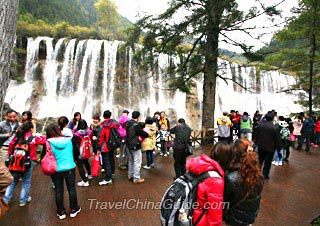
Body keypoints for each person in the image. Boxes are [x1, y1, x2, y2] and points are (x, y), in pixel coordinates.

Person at [221, 139, 264, 226]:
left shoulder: (230, 177)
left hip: (233, 219)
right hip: (249, 218)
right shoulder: (258, 175)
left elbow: (224, 202)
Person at [3, 121, 46, 207]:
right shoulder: (33, 138)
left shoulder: (17, 136)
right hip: (28, 162)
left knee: (13, 181)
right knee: (26, 181)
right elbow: (44, 141)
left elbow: (11, 146)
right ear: (31, 128)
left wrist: (10, 156)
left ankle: (6, 200)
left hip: (15, 162)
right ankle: (23, 200)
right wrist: (39, 135)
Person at [45, 124, 81, 219]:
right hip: (69, 167)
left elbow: (45, 156)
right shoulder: (69, 139)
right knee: (71, 189)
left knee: (58, 190)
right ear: (58, 130)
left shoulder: (48, 142)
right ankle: (74, 209)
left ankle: (61, 212)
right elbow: (76, 151)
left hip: (56, 169)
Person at [185, 153, 224, 226]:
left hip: (190, 215)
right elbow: (215, 215)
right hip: (201, 220)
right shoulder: (215, 181)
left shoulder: (195, 169)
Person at [255, 113, 281, 179]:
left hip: (261, 146)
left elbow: (256, 135)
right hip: (270, 148)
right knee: (268, 162)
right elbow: (277, 140)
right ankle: (265, 174)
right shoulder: (275, 128)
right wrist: (279, 149)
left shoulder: (260, 125)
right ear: (273, 119)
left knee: (260, 160)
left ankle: (256, 172)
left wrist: (256, 143)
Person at [125, 111, 149, 184]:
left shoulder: (127, 123)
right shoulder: (136, 125)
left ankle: (130, 175)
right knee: (137, 162)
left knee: (131, 160)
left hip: (128, 144)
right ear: (138, 117)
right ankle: (136, 178)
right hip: (135, 144)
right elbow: (143, 134)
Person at [98, 110, 119, 185]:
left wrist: (98, 146)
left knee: (106, 161)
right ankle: (112, 173)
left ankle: (108, 178)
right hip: (113, 144)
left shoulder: (103, 125)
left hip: (105, 146)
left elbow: (100, 137)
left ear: (103, 116)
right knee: (111, 159)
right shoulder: (115, 124)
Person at [73, 119, 93, 186]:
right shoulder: (89, 132)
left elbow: (75, 145)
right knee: (86, 162)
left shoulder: (76, 134)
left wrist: (75, 155)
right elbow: (92, 140)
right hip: (87, 150)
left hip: (80, 152)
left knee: (80, 166)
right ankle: (90, 175)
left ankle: (85, 181)